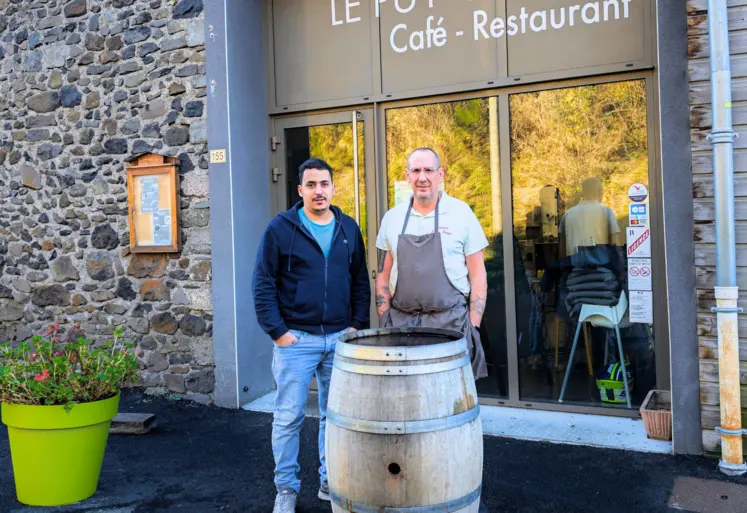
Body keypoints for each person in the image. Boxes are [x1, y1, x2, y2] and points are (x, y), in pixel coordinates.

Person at [253, 157, 370, 513]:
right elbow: (263, 284)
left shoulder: (348, 228)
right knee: (289, 417)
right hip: (296, 341)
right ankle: (286, 489)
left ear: (333, 189)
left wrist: (355, 326)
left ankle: (328, 479)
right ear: (300, 190)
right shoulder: (280, 229)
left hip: (339, 339)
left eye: (324, 184)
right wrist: (278, 332)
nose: (319, 191)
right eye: (312, 185)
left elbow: (360, 282)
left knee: (335, 417)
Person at [375, 147, 489, 380]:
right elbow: (383, 274)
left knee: (450, 399)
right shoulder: (392, 218)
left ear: (441, 174)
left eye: (428, 170)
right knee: (405, 398)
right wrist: (385, 317)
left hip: (450, 327)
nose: (422, 177)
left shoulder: (461, 213)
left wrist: (473, 325)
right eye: (416, 170)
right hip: (402, 327)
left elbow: (478, 274)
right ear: (407, 175)